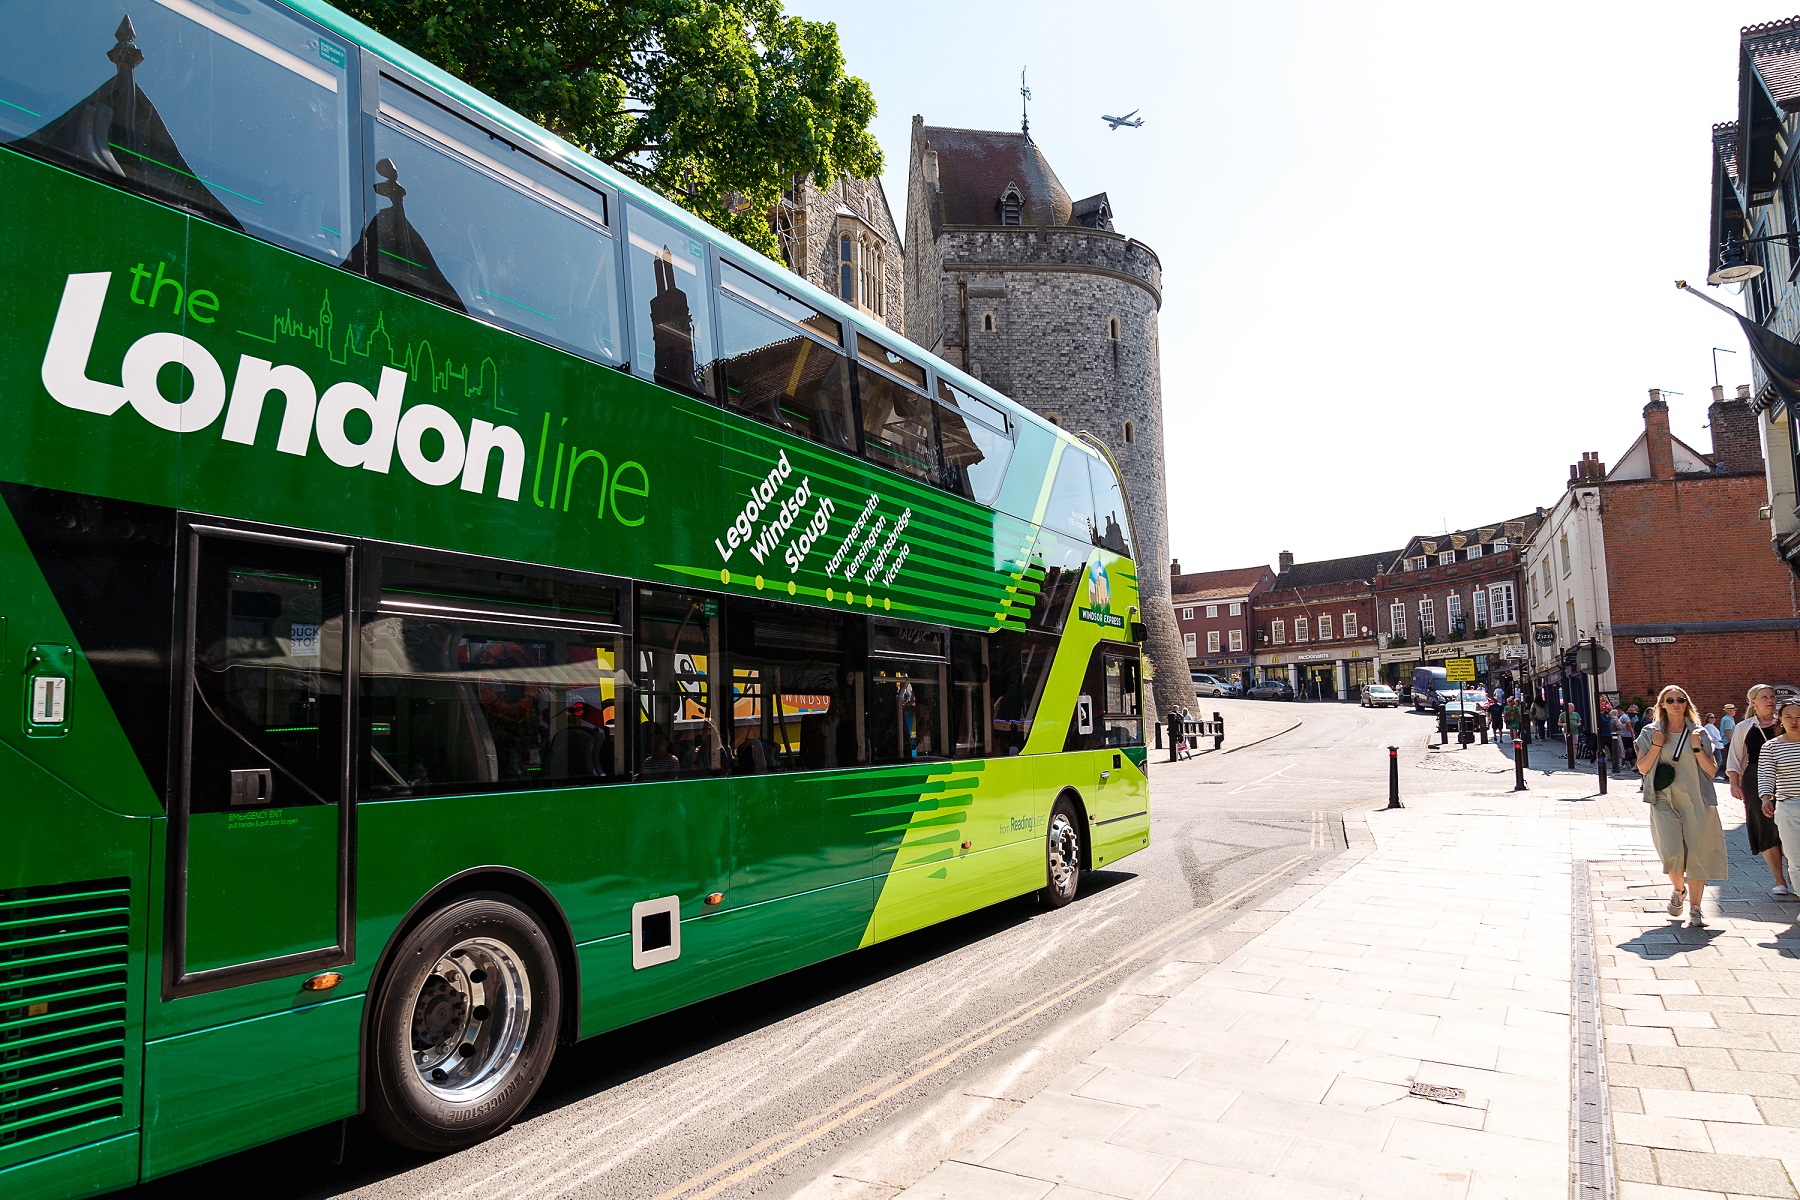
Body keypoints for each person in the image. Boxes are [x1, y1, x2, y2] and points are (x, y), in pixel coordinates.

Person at [1637, 684, 1727, 927]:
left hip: (1697, 800)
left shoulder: (1699, 733)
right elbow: (1643, 769)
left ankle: (1696, 909)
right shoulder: (1649, 732)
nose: (1676, 704)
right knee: (1671, 851)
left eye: (1680, 700)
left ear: (1686, 704)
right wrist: (1657, 744)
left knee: (1698, 854)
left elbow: (1710, 771)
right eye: (1670, 700)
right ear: (1662, 706)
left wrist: (1697, 748)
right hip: (1664, 800)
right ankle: (1679, 890)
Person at [1729, 684, 1790, 896]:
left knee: (1789, 825)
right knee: (1764, 826)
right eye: (1764, 697)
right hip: (1755, 778)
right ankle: (1779, 879)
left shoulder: (1785, 723)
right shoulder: (1744, 727)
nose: (1770, 700)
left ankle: (1794, 875)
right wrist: (1734, 783)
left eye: (1772, 696)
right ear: (1753, 702)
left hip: (1785, 776)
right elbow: (1735, 758)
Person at [1756, 698, 1800, 905]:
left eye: (1799, 717)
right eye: (1789, 717)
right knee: (1795, 859)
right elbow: (1766, 774)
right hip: (1789, 806)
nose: (1794, 722)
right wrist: (1766, 798)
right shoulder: (1772, 746)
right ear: (1780, 719)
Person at [1703, 712, 1726, 780]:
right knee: (1718, 760)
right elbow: (1712, 736)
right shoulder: (1708, 726)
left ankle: (1715, 774)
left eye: (1714, 717)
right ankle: (1715, 774)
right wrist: (1719, 740)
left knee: (1718, 760)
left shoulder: (1712, 726)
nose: (1713, 719)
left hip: (1717, 745)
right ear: (1707, 719)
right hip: (1714, 745)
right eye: (1711, 718)